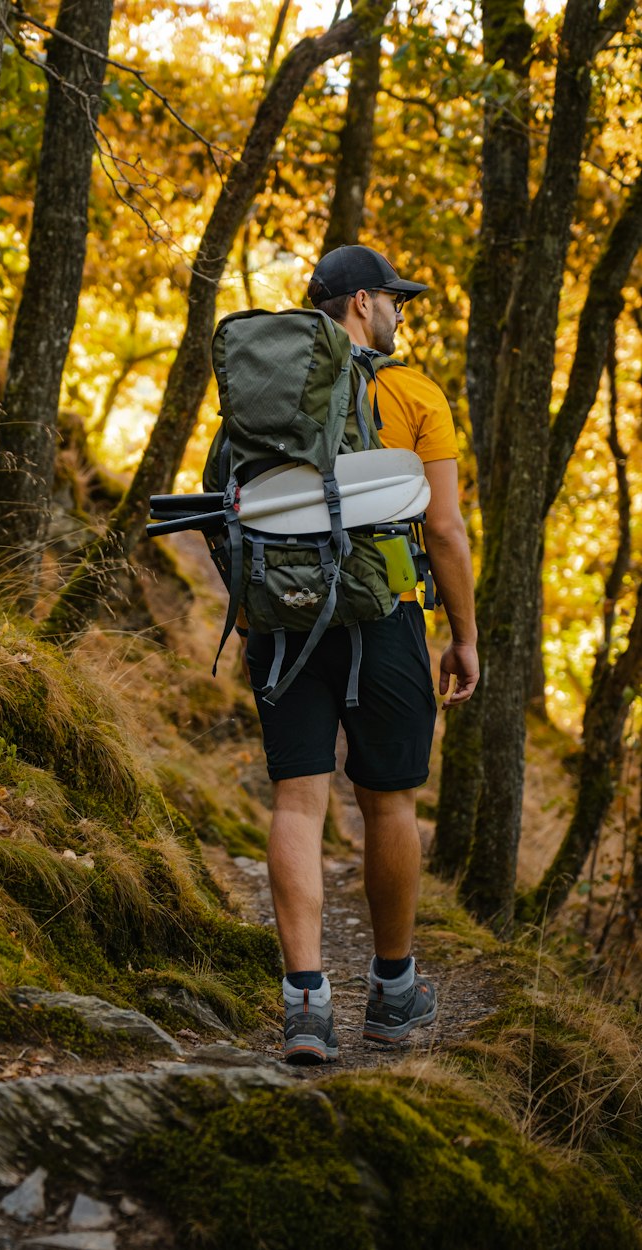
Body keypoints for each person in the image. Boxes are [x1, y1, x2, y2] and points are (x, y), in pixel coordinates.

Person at [237, 244, 479, 1063]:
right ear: (362, 303)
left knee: (298, 801)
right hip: (388, 615)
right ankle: (392, 991)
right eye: (395, 301)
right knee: (390, 802)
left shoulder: (268, 393)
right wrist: (464, 636)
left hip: (282, 616)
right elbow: (443, 528)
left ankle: (305, 1004)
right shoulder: (415, 394)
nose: (401, 314)